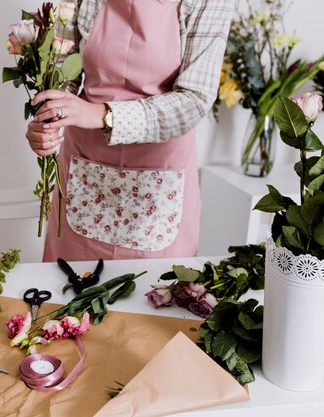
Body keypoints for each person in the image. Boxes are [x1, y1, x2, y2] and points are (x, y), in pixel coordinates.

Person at [25, 0, 235, 262]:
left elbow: (194, 100)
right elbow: (63, 64)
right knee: (66, 291)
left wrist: (101, 114)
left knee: (151, 294)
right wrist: (48, 120)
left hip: (158, 181)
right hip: (84, 170)